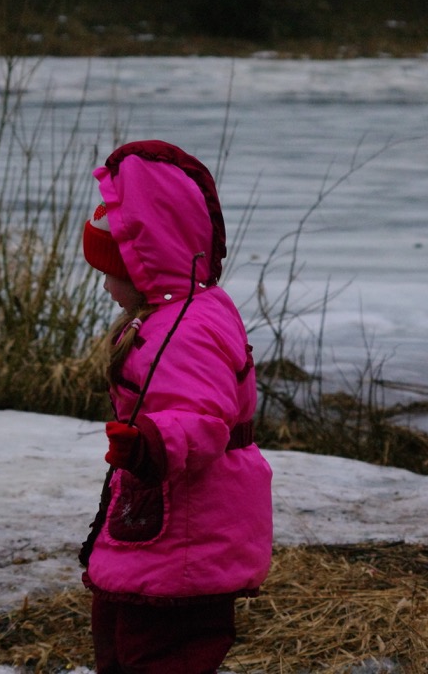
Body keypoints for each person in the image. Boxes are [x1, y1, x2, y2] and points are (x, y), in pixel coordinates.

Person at [79, 140, 273, 674]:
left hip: (188, 528)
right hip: (166, 520)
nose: (105, 285)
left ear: (146, 264)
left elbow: (202, 416)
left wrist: (151, 444)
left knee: (164, 650)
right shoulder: (175, 314)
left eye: (111, 271)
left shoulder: (184, 330)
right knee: (120, 633)